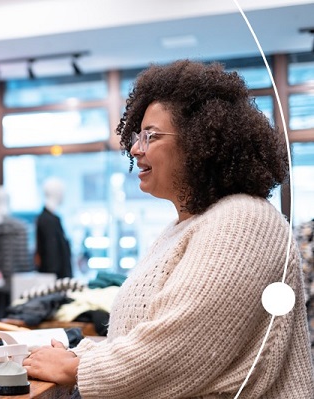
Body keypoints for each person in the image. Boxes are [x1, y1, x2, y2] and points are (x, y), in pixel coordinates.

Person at [23, 60, 314, 397]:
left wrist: (75, 367)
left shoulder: (245, 220)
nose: (135, 148)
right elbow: (147, 336)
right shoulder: (186, 226)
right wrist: (81, 354)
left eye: (151, 136)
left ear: (200, 142)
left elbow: (179, 347)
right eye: (137, 135)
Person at [34, 177, 72, 278]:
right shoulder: (47, 220)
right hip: (54, 281)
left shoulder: (52, 219)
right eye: (61, 192)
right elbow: (52, 256)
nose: (63, 195)